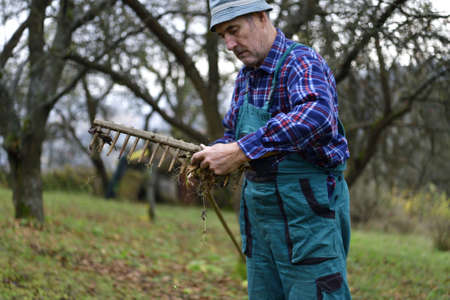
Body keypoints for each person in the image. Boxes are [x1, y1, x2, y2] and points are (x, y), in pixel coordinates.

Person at [191, 1, 352, 299]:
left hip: (308, 220)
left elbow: (318, 113)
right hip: (260, 224)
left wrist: (241, 151)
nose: (229, 44)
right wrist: (212, 154)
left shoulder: (301, 62)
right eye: (223, 35)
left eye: (234, 30)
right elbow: (232, 135)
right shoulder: (245, 77)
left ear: (261, 17)